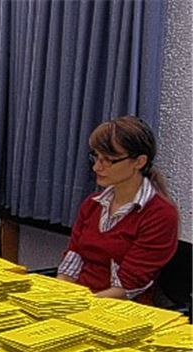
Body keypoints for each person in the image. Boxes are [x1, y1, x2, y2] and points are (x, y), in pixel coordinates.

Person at [58, 116, 178, 301]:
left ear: (139, 162)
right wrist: (54, 299)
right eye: (96, 157)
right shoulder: (92, 204)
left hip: (121, 311)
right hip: (80, 300)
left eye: (108, 160)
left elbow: (127, 288)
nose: (97, 167)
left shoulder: (160, 214)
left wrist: (77, 305)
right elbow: (70, 266)